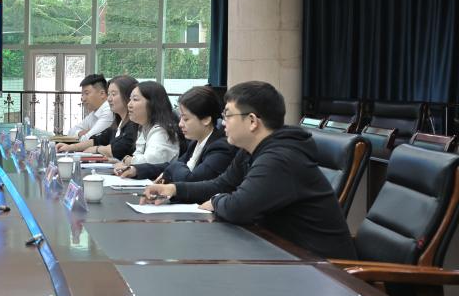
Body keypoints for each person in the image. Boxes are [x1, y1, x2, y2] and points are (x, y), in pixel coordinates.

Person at [141, 81, 357, 260]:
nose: (222, 122)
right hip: (281, 253)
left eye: (228, 116)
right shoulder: (250, 150)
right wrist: (174, 189)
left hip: (322, 270)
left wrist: (216, 200)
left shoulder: (281, 158)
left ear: (252, 121)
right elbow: (221, 184)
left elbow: (238, 207)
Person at [120, 85, 234, 183]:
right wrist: (137, 170)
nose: (180, 124)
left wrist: (172, 169)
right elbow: (171, 166)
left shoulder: (220, 148)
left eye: (186, 119)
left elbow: (190, 178)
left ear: (206, 120)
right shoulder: (196, 143)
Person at [59, 75, 138, 158]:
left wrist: (97, 149)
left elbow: (118, 149)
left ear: (128, 96)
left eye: (113, 94)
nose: (109, 99)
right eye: (109, 94)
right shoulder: (117, 123)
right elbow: (97, 140)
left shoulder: (133, 124)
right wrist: (70, 147)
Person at [113, 81, 180, 173]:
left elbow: (149, 162)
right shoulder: (144, 127)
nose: (129, 105)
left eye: (135, 99)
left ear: (153, 103)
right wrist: (126, 161)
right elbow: (138, 156)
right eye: (130, 99)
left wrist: (128, 160)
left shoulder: (162, 131)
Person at [65, 74, 113, 142]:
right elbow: (70, 132)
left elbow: (88, 140)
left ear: (102, 94)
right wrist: (80, 133)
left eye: (87, 93)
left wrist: (85, 134)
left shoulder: (108, 111)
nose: (83, 99)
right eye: (82, 94)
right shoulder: (94, 113)